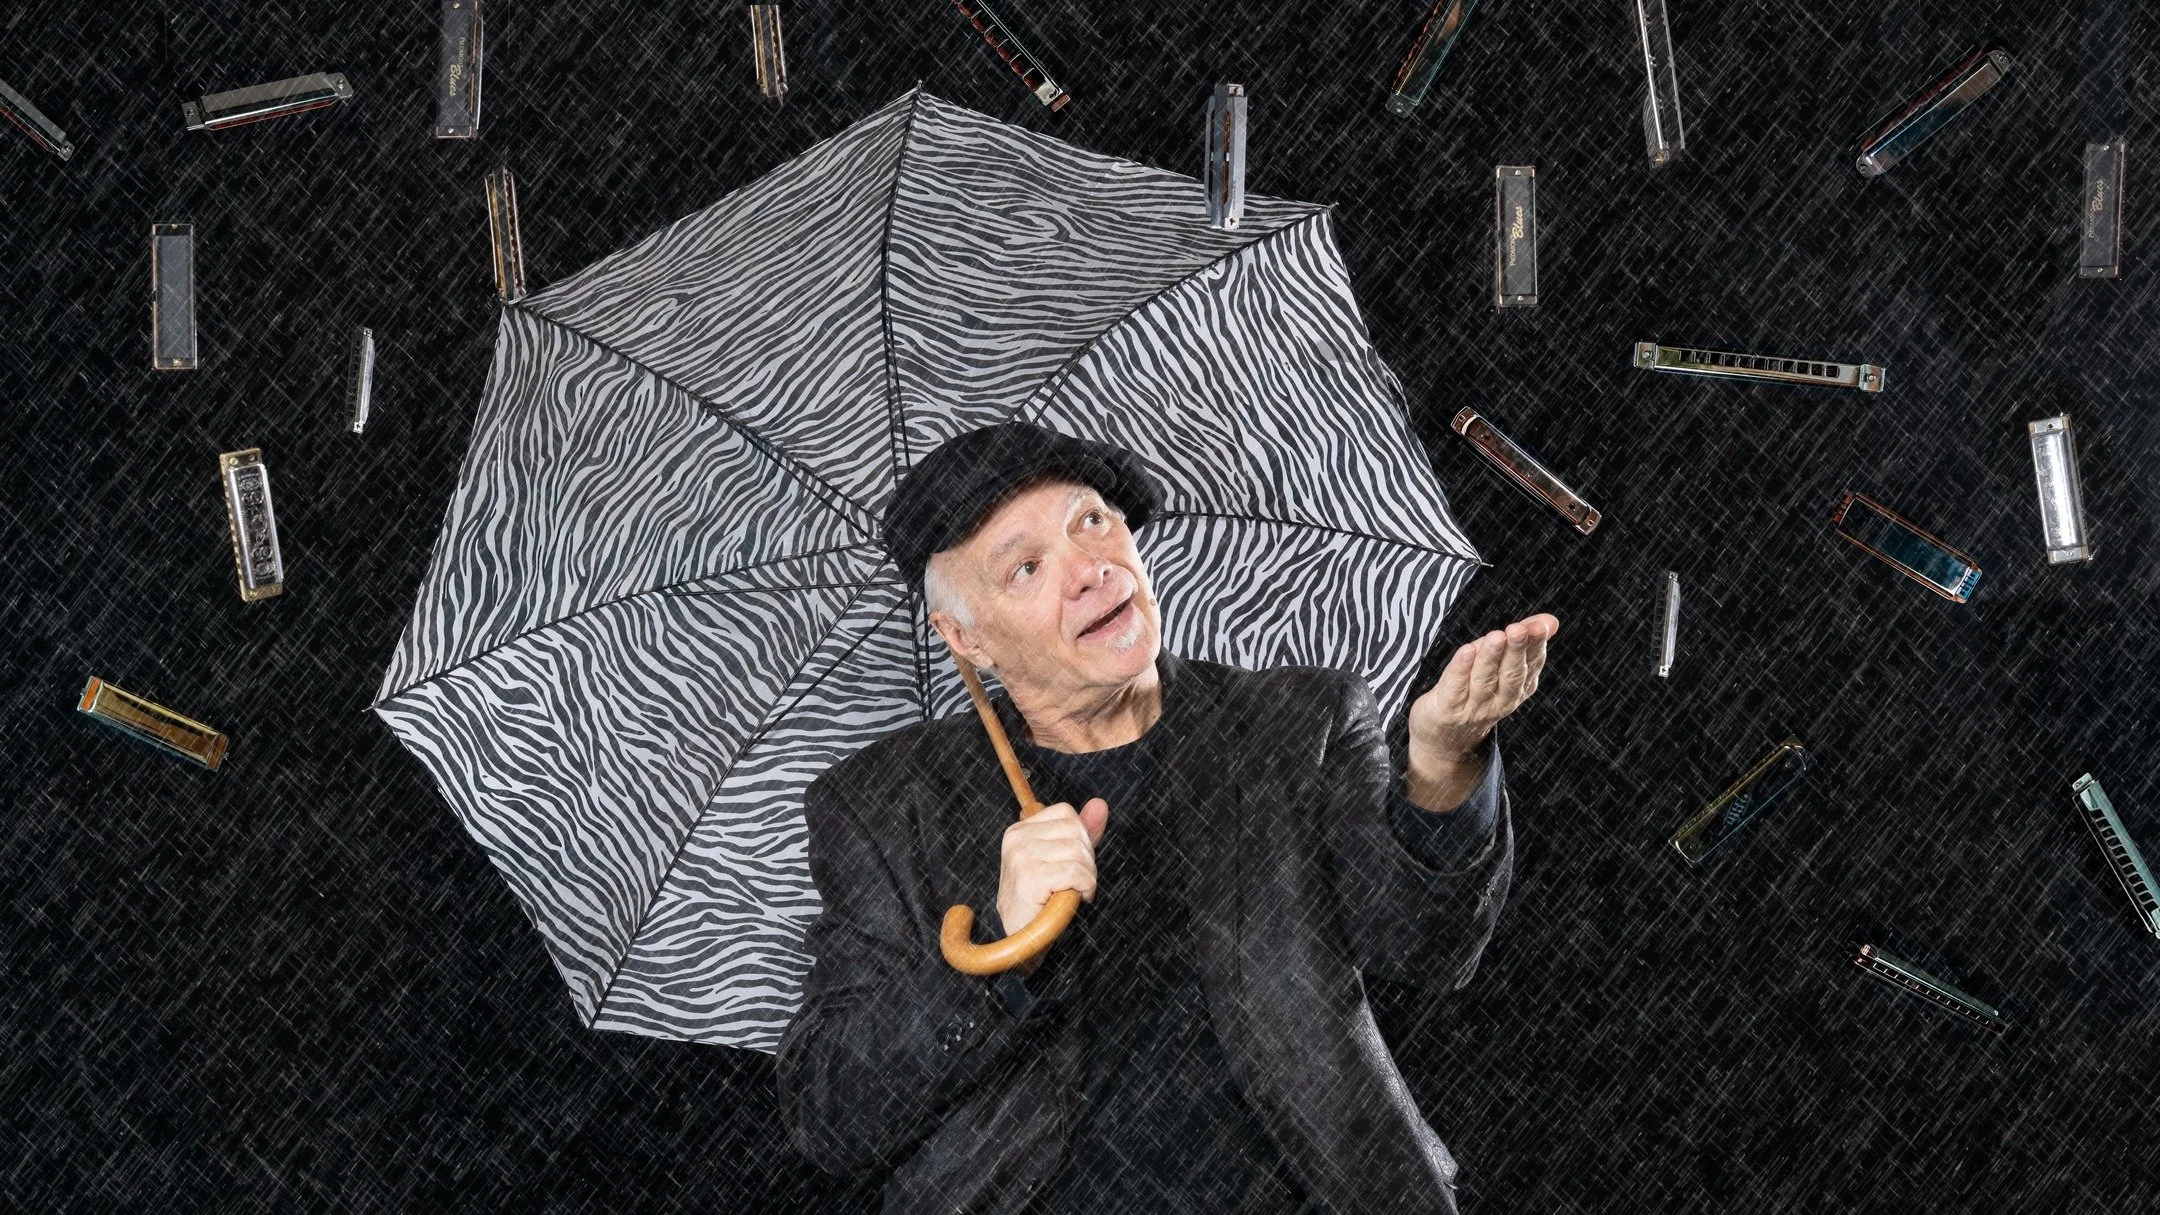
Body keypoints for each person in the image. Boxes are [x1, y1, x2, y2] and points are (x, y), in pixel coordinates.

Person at [774, 422, 1557, 1215]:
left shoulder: (1295, 722)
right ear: (965, 637)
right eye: (1026, 567)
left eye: (1091, 520)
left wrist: (1442, 761)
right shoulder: (882, 806)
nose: (1089, 569)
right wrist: (994, 949)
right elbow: (833, 1117)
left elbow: (1425, 946)